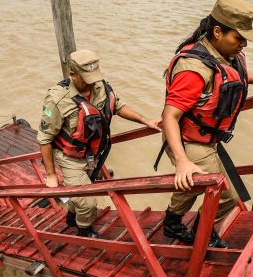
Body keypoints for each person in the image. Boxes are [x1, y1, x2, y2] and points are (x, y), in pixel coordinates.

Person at [160, 0, 253, 249]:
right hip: (188, 139)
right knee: (227, 196)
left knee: (194, 185)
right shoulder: (193, 69)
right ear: (218, 32)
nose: (244, 44)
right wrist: (182, 161)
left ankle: (172, 221)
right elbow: (169, 116)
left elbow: (232, 76)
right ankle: (201, 234)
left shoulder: (224, 54)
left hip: (207, 138)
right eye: (239, 37)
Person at [38, 49, 161, 238]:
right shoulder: (57, 100)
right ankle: (84, 230)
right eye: (87, 78)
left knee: (80, 194)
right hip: (71, 159)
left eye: (95, 76)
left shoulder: (101, 87)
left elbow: (118, 105)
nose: (93, 82)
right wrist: (51, 174)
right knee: (88, 202)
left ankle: (72, 216)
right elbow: (45, 138)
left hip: (94, 155)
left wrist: (146, 121)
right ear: (72, 74)